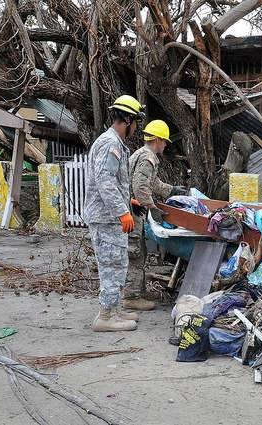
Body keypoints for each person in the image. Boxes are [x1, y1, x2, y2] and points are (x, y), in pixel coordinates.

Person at [84, 95, 145, 332]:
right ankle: (105, 316)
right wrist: (122, 212)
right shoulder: (111, 143)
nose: (136, 127)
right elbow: (104, 181)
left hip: (108, 215)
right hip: (106, 217)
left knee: (118, 262)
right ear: (127, 120)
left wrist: (127, 201)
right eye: (135, 122)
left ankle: (115, 309)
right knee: (112, 264)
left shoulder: (114, 143)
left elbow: (111, 182)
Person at [126, 120, 187, 310]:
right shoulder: (147, 158)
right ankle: (131, 297)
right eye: (165, 141)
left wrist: (171, 191)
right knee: (135, 252)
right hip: (132, 210)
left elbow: (154, 183)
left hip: (131, 208)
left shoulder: (145, 155)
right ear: (158, 139)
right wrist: (152, 208)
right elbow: (140, 188)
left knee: (140, 249)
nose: (166, 145)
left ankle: (137, 290)